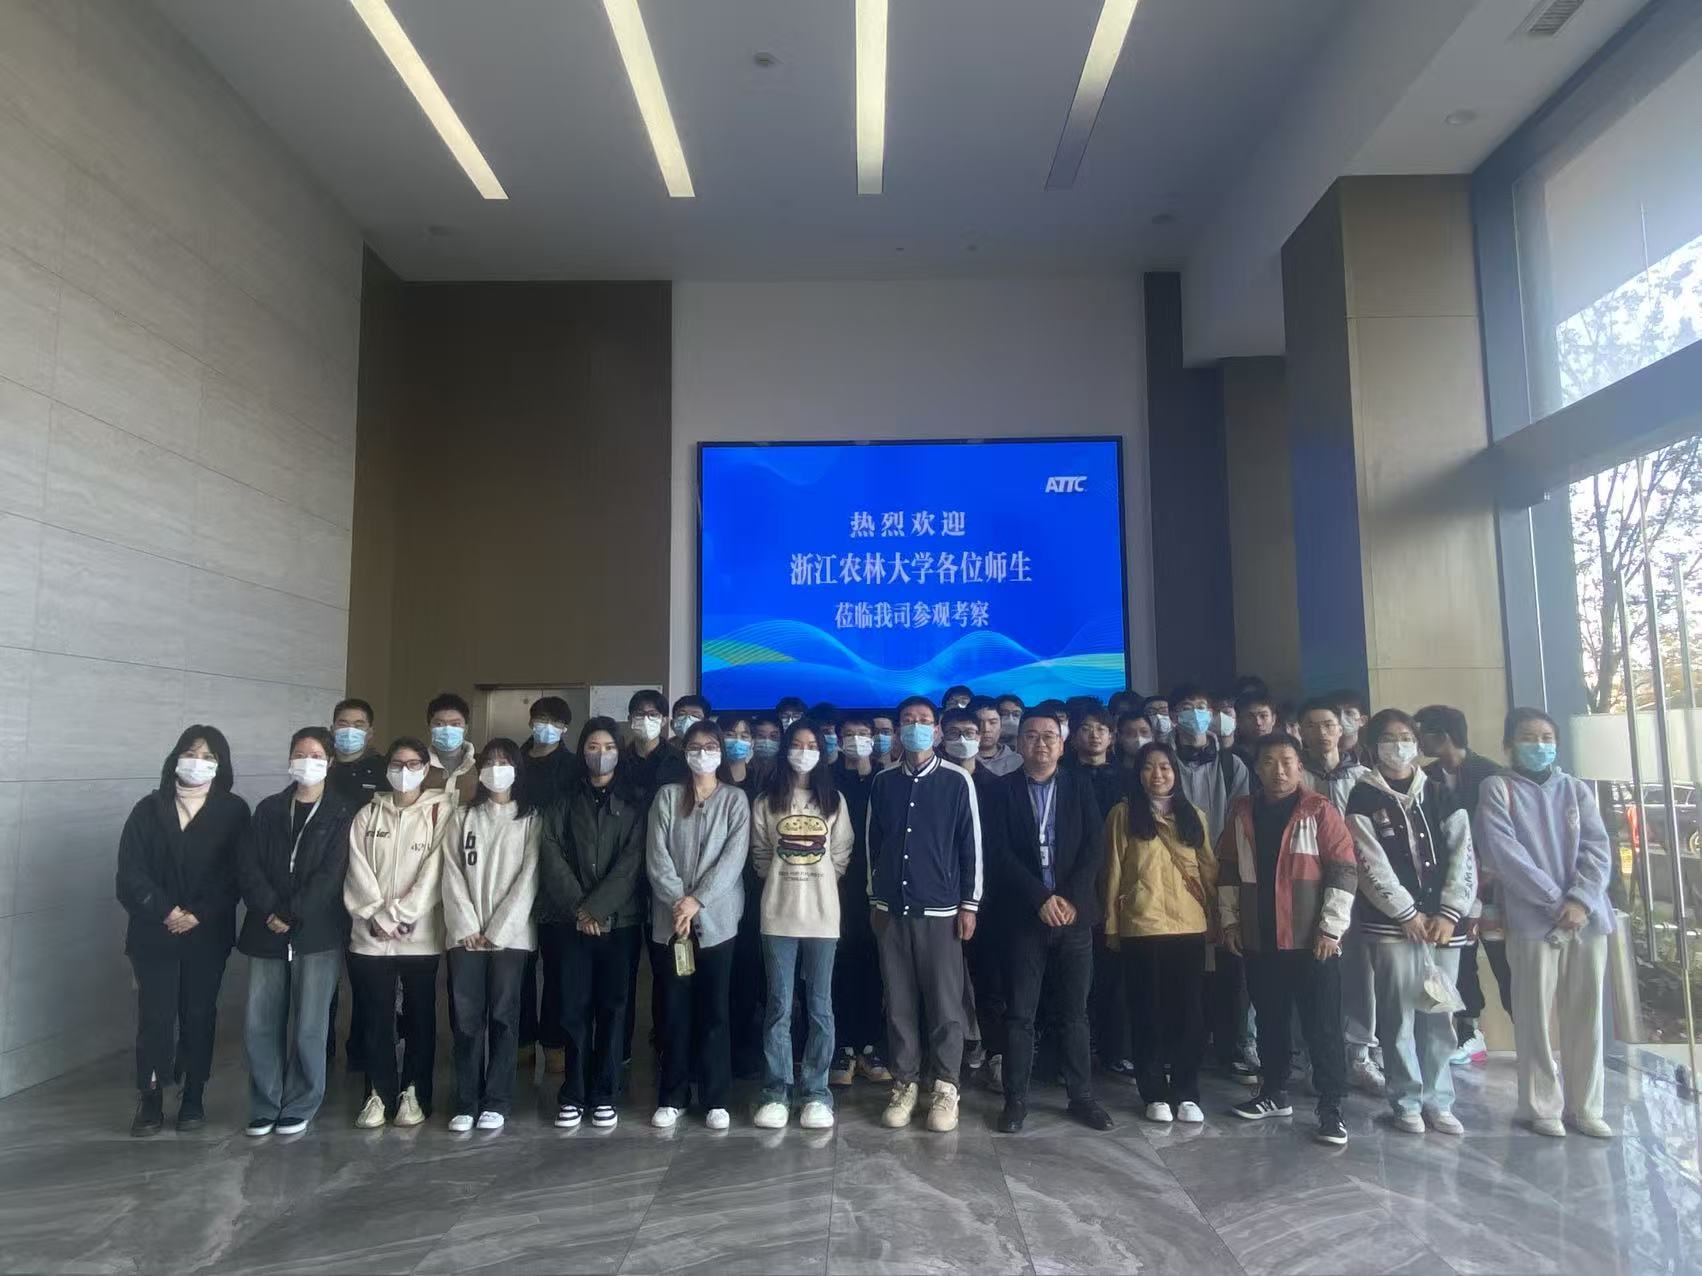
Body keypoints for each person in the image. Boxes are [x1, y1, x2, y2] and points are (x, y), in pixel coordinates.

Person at [1474, 708, 1615, 1139]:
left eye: (1546, 737)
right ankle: (1540, 1106)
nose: (1539, 745)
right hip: (1532, 920)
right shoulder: (1497, 789)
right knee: (1533, 1014)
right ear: (1509, 745)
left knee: (1586, 1015)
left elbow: (1598, 848)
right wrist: (1556, 902)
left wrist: (1581, 900)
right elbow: (1504, 853)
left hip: (1587, 919)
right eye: (1528, 737)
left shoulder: (1575, 789)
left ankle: (1585, 1107)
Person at [1219, 734, 1358, 1146]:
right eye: (1269, 762)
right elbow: (1227, 869)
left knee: (1322, 1025)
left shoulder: (1319, 809)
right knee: (1270, 1021)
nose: (1278, 770)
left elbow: (1343, 870)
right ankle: (1273, 1091)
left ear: (1299, 767)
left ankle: (1331, 1107)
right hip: (1260, 937)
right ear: (1256, 768)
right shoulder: (1242, 811)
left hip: (1311, 939)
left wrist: (1331, 928)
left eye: (1286, 762)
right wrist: (1230, 922)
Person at [1346, 710, 1477, 1135]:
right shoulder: (1363, 797)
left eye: (1405, 737)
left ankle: (1439, 1101)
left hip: (1443, 927)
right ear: (1373, 747)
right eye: (1389, 738)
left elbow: (1463, 854)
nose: (1398, 745)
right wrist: (1405, 912)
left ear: (1417, 744)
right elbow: (1368, 864)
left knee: (1438, 1015)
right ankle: (1406, 1102)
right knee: (1397, 1016)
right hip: (1392, 927)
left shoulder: (1439, 791)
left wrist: (1449, 912)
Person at [117, 726, 248, 1136]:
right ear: (175, 757)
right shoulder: (148, 808)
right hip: (154, 932)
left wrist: (197, 914)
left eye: (208, 756)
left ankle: (194, 1094)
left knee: (198, 1014)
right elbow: (130, 873)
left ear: (221, 765)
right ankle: (151, 1096)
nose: (198, 762)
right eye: (191, 753)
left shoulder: (233, 811)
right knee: (155, 1016)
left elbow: (237, 874)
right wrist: (166, 911)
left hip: (206, 933)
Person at [985, 710, 1113, 1133]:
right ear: (1018, 743)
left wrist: (1070, 898)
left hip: (1074, 917)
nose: (1040, 744)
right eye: (1031, 736)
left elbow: (1094, 847)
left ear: (1062, 745)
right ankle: (1015, 1100)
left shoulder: (1079, 786)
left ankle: (1082, 1097)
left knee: (1075, 1013)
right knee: (1020, 1014)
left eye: (1049, 737)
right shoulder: (1000, 790)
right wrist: (1040, 898)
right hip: (1024, 917)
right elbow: (999, 853)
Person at [868, 696, 982, 1133]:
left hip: (942, 911)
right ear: (899, 731)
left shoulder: (956, 780)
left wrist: (969, 904)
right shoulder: (883, 782)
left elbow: (971, 846)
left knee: (946, 1004)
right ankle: (905, 1082)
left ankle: (946, 1086)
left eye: (924, 721)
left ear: (936, 731)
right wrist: (874, 898)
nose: (915, 726)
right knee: (898, 1002)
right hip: (891, 910)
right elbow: (874, 843)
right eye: (908, 720)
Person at [239, 727, 355, 1137]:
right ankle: (264, 1102)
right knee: (261, 1021)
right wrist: (271, 909)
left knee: (310, 1024)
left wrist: (291, 912)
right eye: (300, 754)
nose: (307, 762)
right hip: (265, 927)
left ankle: (302, 1102)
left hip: (317, 931)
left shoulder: (341, 812)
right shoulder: (269, 809)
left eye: (316, 755)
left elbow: (333, 873)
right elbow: (247, 865)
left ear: (330, 762)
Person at [539, 718, 646, 1130]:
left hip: (621, 922)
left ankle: (605, 1092)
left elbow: (633, 862)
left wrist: (598, 909)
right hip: (572, 922)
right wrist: (581, 910)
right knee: (573, 1007)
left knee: (614, 1007)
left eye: (609, 747)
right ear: (581, 749)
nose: (601, 754)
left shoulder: (635, 801)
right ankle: (573, 1092)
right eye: (593, 746)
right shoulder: (563, 799)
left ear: (620, 751)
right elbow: (550, 853)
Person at [1104, 741, 1217, 1124]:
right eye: (1149, 767)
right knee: (1146, 1011)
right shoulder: (1123, 814)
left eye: (1165, 767)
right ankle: (1153, 1092)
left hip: (1189, 924)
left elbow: (1208, 869)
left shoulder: (1193, 815)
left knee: (1190, 1013)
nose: (1158, 774)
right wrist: (1112, 925)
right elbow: (1113, 871)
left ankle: (1186, 1091)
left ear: (1175, 773)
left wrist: (1219, 918)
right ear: (1138, 775)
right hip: (1142, 924)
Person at [646, 719, 750, 1130]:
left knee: (715, 1012)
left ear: (720, 752)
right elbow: (657, 856)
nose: (702, 753)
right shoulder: (667, 796)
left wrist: (696, 901)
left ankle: (715, 1097)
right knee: (674, 1011)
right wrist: (679, 902)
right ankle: (672, 1095)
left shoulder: (735, 799)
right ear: (684, 752)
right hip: (672, 924)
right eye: (695, 746)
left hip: (717, 923)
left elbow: (733, 860)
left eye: (710, 746)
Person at [750, 719, 853, 1129]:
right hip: (778, 915)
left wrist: (820, 879)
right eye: (797, 743)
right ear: (785, 749)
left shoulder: (833, 800)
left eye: (812, 744)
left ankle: (816, 1093)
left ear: (822, 752)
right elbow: (761, 854)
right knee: (779, 1006)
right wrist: (784, 878)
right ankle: (777, 1091)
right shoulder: (766, 800)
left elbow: (841, 852)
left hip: (823, 918)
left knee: (820, 1007)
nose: (804, 751)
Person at [345, 737, 451, 1128]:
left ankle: (415, 1093)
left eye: (412, 764)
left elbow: (434, 873)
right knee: (375, 1017)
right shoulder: (367, 815)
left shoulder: (440, 812)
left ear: (426, 768)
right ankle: (377, 1093)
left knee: (420, 1017)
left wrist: (400, 915)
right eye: (397, 764)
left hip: (419, 937)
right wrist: (377, 916)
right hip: (370, 938)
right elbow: (357, 870)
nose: (404, 771)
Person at [442, 739, 541, 1133]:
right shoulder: (462, 816)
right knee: (466, 1019)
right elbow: (451, 871)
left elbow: (529, 877)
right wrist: (467, 925)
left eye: (505, 761)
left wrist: (499, 929)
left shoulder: (531, 819)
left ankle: (497, 1100)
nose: (497, 768)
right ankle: (466, 1100)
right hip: (465, 936)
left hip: (510, 937)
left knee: (503, 1017)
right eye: (490, 761)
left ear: (517, 769)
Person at [1169, 685, 1255, 1084]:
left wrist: (1223, 864)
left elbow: (1241, 818)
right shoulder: (1163, 761)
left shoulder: (1231, 765)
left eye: (1202, 707)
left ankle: (1231, 1047)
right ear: (1173, 717)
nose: (1196, 714)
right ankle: (1184, 1046)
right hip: (1176, 874)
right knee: (1182, 964)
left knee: (1229, 965)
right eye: (1187, 708)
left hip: (1224, 873)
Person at [1416, 703, 1509, 1062]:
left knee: (1505, 962)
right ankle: (1469, 1032)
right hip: (1454, 888)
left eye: (1422, 733)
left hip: (1495, 889)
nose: (1417, 742)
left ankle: (1530, 1037)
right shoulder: (1426, 778)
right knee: (1463, 960)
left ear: (1442, 736)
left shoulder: (1491, 775)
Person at [1297, 697, 1380, 1095]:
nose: (1322, 733)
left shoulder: (1365, 778)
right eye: (1312, 726)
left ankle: (1360, 1055)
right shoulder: (1293, 777)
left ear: (1342, 728)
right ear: (1300, 732)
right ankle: (1314, 1057)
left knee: (1360, 976)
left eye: (1328, 724)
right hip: (1307, 889)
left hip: (1360, 890)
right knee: (1311, 975)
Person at [829, 713, 892, 1087]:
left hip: (879, 887)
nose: (856, 739)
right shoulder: (827, 780)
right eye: (849, 734)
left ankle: (870, 1045)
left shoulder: (887, 779)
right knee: (839, 966)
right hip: (835, 887)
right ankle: (843, 1047)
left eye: (864, 733)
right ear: (838, 740)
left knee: (873, 967)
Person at [941, 705, 1003, 1082]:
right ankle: (949, 1053)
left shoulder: (997, 786)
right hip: (941, 896)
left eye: (971, 732)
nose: (963, 740)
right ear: (941, 736)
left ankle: (995, 1051)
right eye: (955, 733)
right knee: (944, 983)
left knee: (989, 979)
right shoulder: (933, 781)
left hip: (988, 900)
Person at [518, 696, 575, 1075]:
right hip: (515, 877)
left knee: (557, 969)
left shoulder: (572, 767)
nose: (546, 727)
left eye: (555, 722)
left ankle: (554, 1042)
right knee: (519, 967)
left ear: (565, 728)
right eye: (541, 719)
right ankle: (521, 1041)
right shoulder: (513, 762)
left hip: (557, 880)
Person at [721, 713, 768, 1079]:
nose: (738, 739)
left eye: (745, 734)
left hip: (754, 894)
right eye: (731, 733)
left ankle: (741, 1049)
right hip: (713, 897)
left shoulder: (763, 784)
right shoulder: (708, 781)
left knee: (747, 977)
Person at [1068, 704, 1124, 816]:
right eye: (1086, 729)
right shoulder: (1064, 777)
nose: (1094, 735)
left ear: (1111, 738)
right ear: (1073, 738)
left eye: (1101, 729)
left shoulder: (1125, 776)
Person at [329, 698, 388, 801]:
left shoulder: (384, 769)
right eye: (343, 725)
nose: (350, 730)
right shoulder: (319, 766)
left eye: (358, 726)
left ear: (370, 733)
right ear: (332, 730)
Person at [425, 692, 478, 805]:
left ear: (466, 729)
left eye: (455, 724)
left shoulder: (480, 765)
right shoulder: (417, 765)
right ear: (429, 727)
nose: (447, 730)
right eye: (439, 724)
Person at [621, 690, 670, 810]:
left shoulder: (677, 760)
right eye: (639, 714)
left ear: (664, 721)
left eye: (653, 714)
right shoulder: (619, 759)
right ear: (630, 719)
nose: (646, 719)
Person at [972, 695, 1022, 776]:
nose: (986, 729)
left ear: (1001, 725)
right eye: (978, 722)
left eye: (993, 722)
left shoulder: (1019, 762)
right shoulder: (957, 758)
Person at [1232, 692, 1276, 775]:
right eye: (1250, 717)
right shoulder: (1232, 757)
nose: (1258, 722)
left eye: (1263, 716)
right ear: (1239, 721)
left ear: (1273, 719)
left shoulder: (1283, 751)